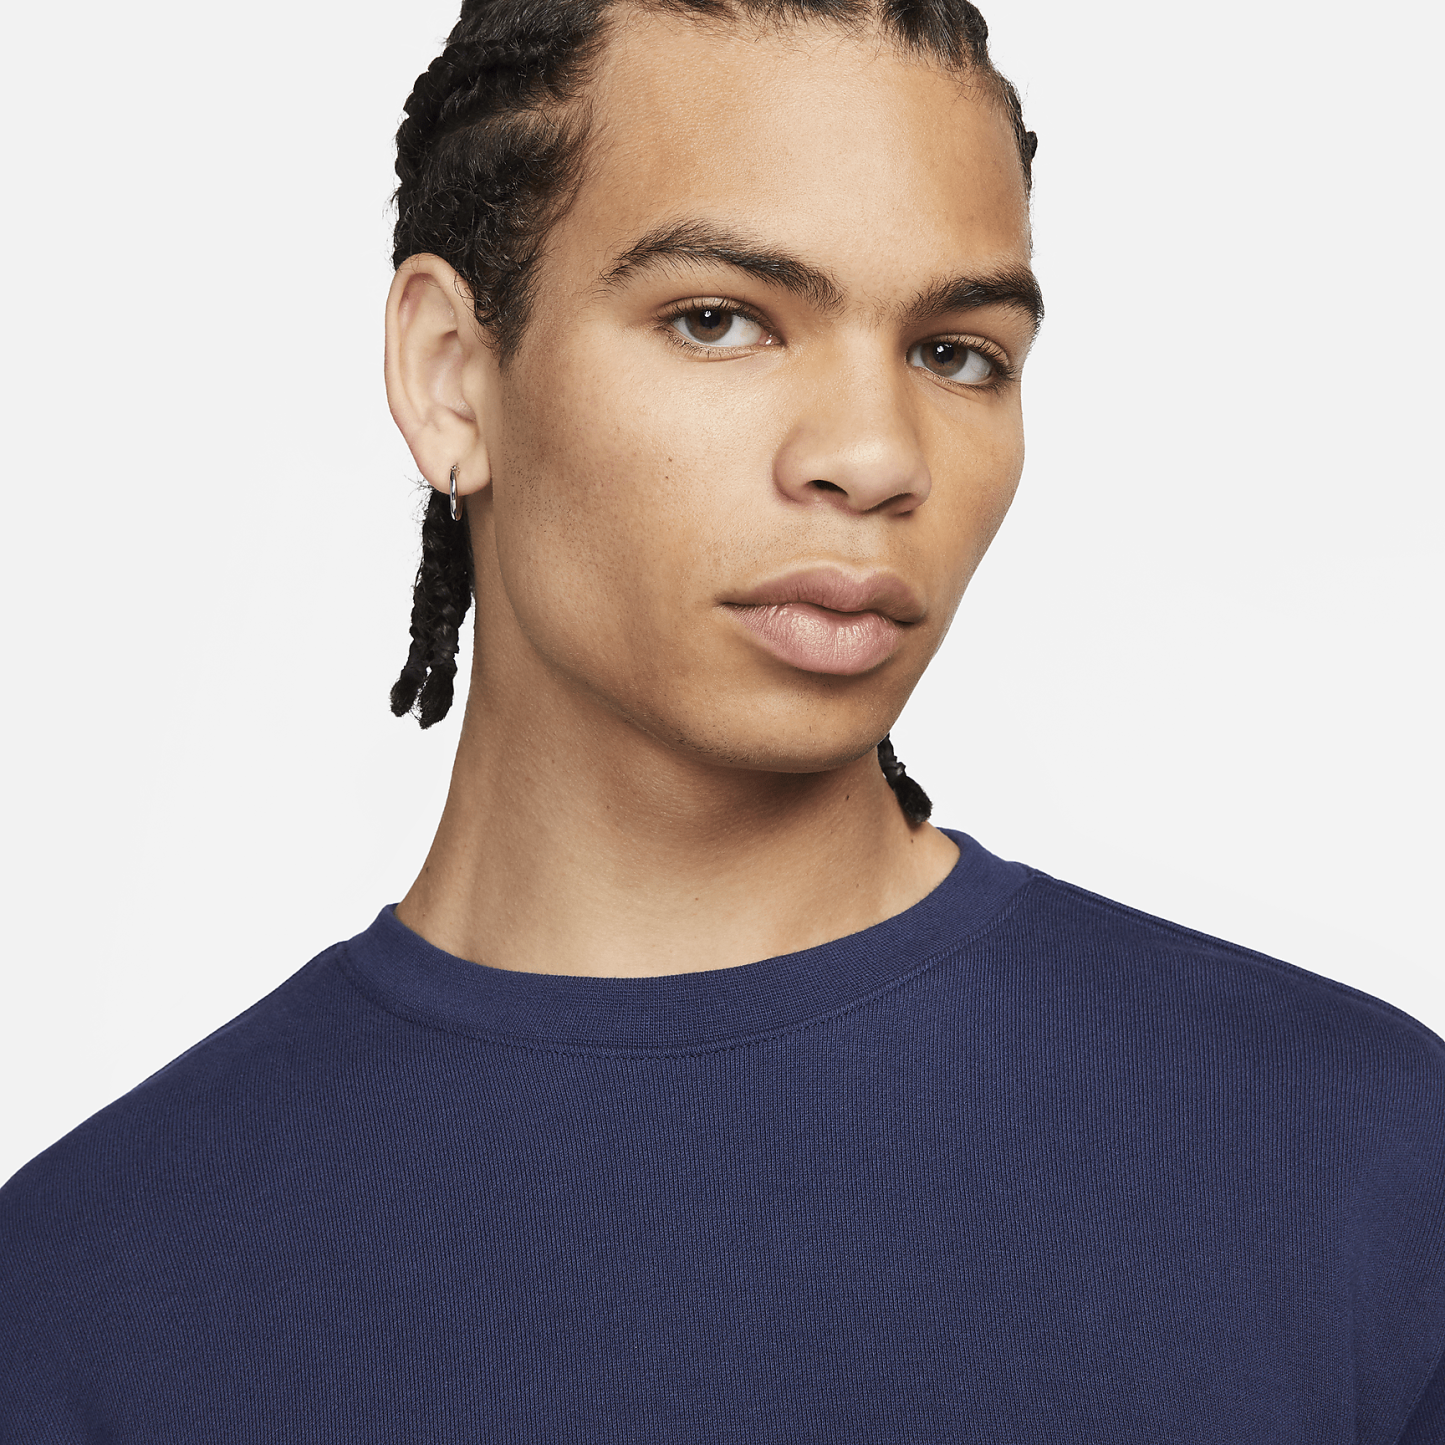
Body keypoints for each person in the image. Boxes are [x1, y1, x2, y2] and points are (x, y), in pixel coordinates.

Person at [2, 0, 1441, 1437]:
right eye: (720, 320)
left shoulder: (1354, 1156)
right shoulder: (80, 1294)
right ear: (452, 375)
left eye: (957, 352)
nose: (872, 455)